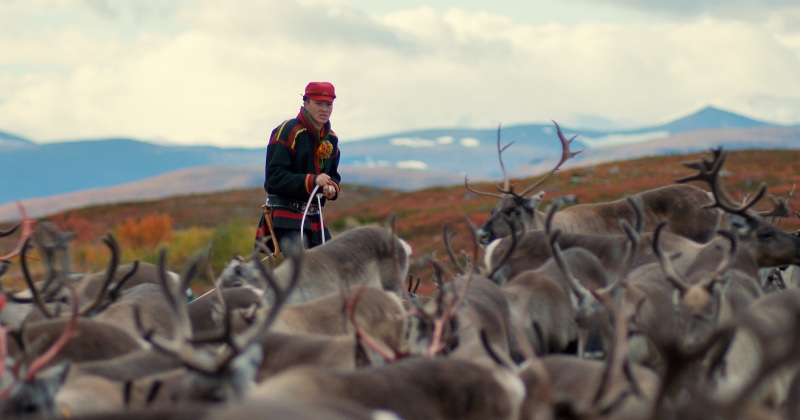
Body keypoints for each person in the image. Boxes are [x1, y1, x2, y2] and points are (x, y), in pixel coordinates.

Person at [256, 81, 341, 253]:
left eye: (328, 104)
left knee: (334, 268)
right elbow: (274, 178)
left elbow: (333, 176)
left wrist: (332, 188)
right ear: (306, 103)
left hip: (314, 217)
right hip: (286, 216)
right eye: (319, 104)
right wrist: (313, 180)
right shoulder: (287, 131)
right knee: (302, 272)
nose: (324, 109)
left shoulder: (331, 139)